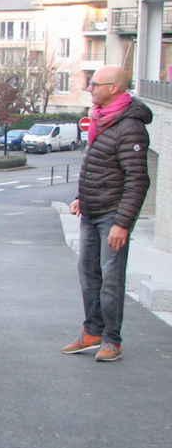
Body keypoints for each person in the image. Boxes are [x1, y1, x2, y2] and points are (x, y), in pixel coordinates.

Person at [62, 66, 152, 362]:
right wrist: (80, 197)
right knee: (88, 272)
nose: (90, 88)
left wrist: (123, 223)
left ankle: (112, 339)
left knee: (110, 277)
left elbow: (138, 179)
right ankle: (93, 331)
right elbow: (96, 164)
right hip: (91, 209)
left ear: (114, 88)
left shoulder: (130, 126)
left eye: (95, 84)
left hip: (113, 214)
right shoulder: (101, 118)